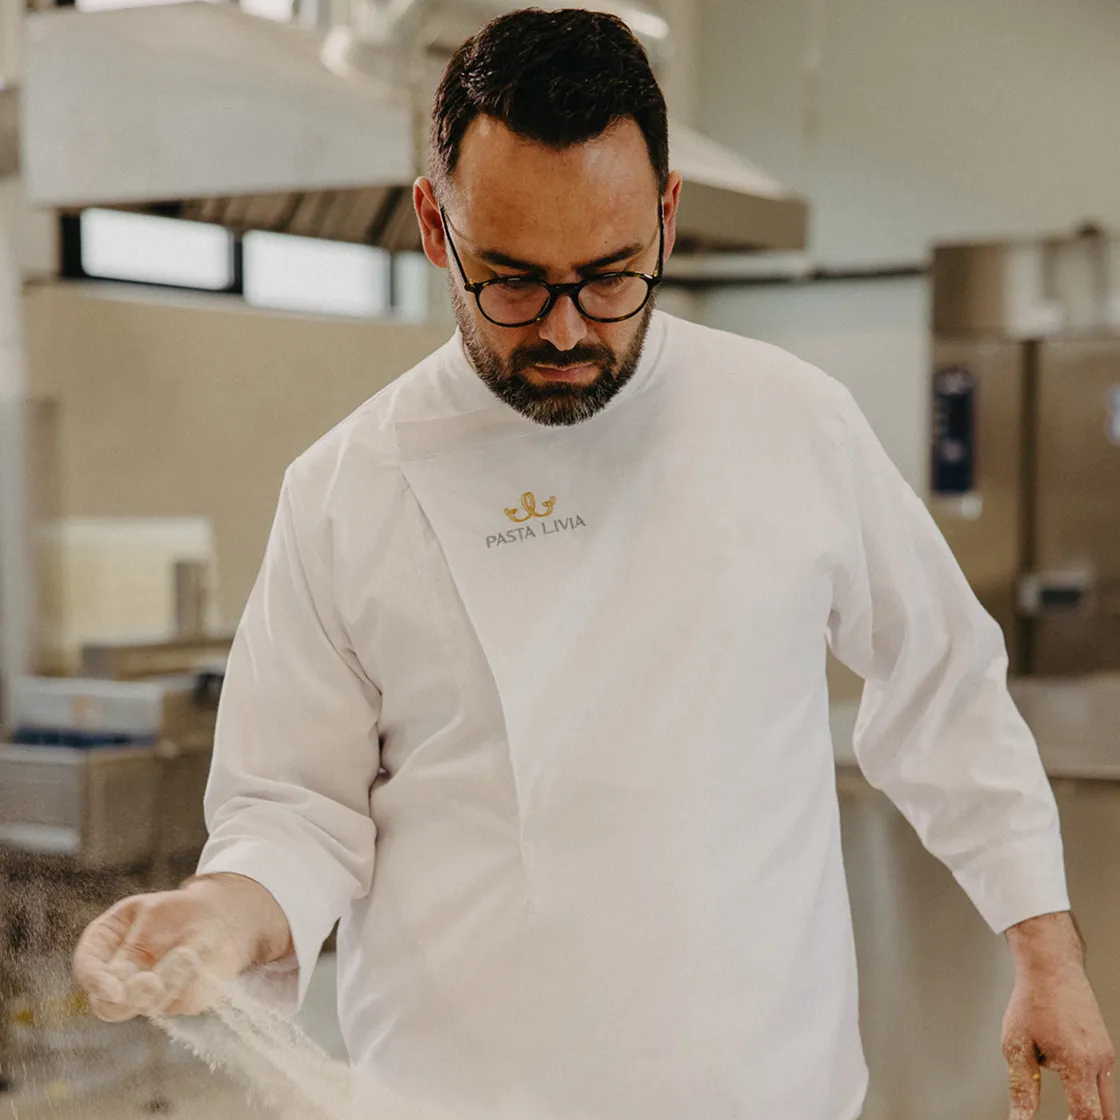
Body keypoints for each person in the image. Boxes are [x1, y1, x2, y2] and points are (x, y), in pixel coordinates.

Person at [73, 9, 1114, 1120]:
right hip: (458, 1100)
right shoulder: (346, 488)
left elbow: (941, 683)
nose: (566, 331)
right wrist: (224, 911)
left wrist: (1043, 944)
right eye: (512, 283)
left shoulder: (792, 422)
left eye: (610, 276)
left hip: (767, 1091)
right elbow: (294, 806)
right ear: (437, 226)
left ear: (665, 219)